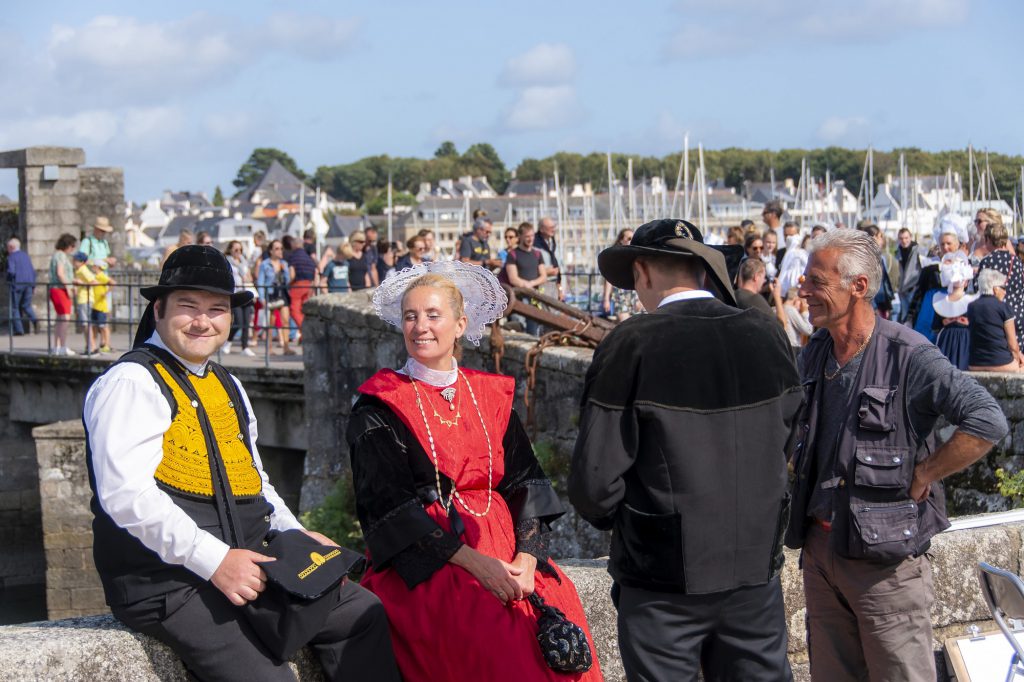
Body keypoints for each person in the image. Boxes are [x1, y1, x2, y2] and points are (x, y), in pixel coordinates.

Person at [84, 244, 399, 682]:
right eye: (188, 306)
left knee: (361, 615)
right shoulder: (131, 383)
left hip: (247, 557)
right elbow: (125, 496)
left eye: (216, 309)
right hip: (168, 579)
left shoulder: (228, 384)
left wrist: (296, 535)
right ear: (158, 310)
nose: (203, 321)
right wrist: (216, 562)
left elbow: (254, 480)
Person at [346, 261, 602, 682]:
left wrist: (527, 558)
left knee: (559, 612)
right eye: (410, 316)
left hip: (503, 546)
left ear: (460, 324)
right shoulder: (379, 404)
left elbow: (525, 481)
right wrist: (476, 565)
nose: (420, 327)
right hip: (431, 557)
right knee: (490, 639)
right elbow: (387, 508)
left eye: (433, 315)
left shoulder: (489, 394)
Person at [570, 218, 800, 681]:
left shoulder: (632, 343)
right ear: (700, 268)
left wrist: (632, 525)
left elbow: (594, 481)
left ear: (642, 271)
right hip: (755, 565)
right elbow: (790, 436)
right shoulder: (765, 332)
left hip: (663, 577)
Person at [787, 228, 1008, 681]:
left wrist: (926, 472)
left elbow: (987, 420)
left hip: (885, 567)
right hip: (821, 553)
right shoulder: (817, 353)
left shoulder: (909, 354)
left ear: (858, 286)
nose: (802, 290)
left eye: (815, 281)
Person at [909, 224, 961, 342]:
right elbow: (919, 293)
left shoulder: (963, 266)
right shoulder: (931, 268)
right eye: (942, 244)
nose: (945, 247)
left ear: (956, 244)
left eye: (949, 243)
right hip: (931, 310)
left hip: (955, 310)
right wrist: (910, 317)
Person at [978, 218, 1024, 340]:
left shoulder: (987, 261)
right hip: (1018, 314)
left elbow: (980, 289)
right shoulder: (1017, 261)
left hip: (996, 316)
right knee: (1017, 349)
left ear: (988, 239)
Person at [968, 268, 1023, 371]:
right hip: (1001, 363)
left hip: (975, 363)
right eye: (1003, 288)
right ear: (995, 289)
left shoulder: (971, 307)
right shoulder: (1003, 307)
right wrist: (1018, 359)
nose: (1005, 292)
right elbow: (1013, 345)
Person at [502, 222, 549, 336]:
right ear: (520, 236)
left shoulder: (537, 254)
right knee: (519, 329)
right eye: (527, 236)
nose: (530, 239)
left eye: (532, 236)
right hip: (519, 299)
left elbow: (543, 276)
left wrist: (531, 283)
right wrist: (526, 286)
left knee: (534, 331)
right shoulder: (513, 255)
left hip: (534, 299)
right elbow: (513, 279)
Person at [256, 240, 296, 355]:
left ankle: (286, 347)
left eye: (281, 248)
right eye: (277, 248)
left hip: (282, 293)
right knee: (271, 322)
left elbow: (287, 281)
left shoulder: (284, 263)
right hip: (271, 294)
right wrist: (262, 298)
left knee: (285, 321)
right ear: (271, 251)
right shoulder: (265, 264)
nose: (280, 251)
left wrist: (286, 271)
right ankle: (269, 348)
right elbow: (260, 282)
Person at [224, 241, 256, 356]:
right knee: (238, 321)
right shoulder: (228, 262)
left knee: (246, 323)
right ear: (230, 250)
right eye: (236, 250)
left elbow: (250, 277)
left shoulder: (244, 262)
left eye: (240, 250)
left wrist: (247, 277)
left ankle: (245, 346)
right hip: (235, 294)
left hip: (245, 293)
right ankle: (228, 341)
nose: (238, 252)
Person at [284, 235, 319, 341]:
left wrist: (288, 284)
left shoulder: (293, 257)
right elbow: (316, 272)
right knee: (304, 310)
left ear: (294, 245)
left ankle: (305, 330)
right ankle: (304, 335)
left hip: (298, 285)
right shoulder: (308, 257)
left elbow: (292, 275)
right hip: (309, 285)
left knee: (294, 310)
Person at [48, 233, 78, 355]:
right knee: (65, 318)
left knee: (60, 319)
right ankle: (63, 346)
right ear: (68, 245)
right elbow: (60, 273)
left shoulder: (56, 255)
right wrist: (69, 287)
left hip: (56, 289)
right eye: (72, 246)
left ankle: (57, 346)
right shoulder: (61, 256)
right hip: (60, 289)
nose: (73, 249)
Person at [601, 229, 640, 321]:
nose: (632, 241)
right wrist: (606, 299)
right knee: (625, 323)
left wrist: (641, 298)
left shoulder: (637, 256)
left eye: (634, 238)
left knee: (637, 324)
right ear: (621, 240)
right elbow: (609, 280)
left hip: (635, 294)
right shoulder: (614, 258)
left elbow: (641, 278)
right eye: (629, 238)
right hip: (620, 295)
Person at [5, 237, 38, 335]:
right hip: (28, 284)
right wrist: (33, 285)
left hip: (17, 284)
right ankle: (35, 320)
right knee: (26, 306)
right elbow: (32, 271)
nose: (7, 249)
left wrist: (8, 280)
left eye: (8, 247)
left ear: (11, 247)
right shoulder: (25, 256)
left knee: (14, 308)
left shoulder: (11, 257)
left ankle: (19, 330)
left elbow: (11, 271)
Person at [72, 251, 97, 353]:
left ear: (82, 262)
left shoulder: (83, 270)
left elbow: (94, 282)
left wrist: (80, 283)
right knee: (85, 323)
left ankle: (92, 346)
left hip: (85, 299)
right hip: (82, 299)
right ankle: (89, 345)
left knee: (86, 323)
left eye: (76, 260)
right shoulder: (79, 270)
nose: (73, 262)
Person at [895, 228, 922, 324]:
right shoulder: (897, 252)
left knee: (914, 316)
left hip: (913, 289)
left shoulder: (918, 250)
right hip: (902, 291)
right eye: (901, 238)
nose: (904, 241)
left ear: (910, 237)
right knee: (904, 317)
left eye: (906, 238)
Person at [89, 261, 115, 353]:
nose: (92, 267)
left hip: (101, 306)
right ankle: (95, 345)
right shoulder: (95, 276)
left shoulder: (101, 275)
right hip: (95, 305)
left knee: (103, 327)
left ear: (98, 267)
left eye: (94, 265)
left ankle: (107, 345)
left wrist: (106, 293)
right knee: (95, 327)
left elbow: (112, 282)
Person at [536, 217, 563, 300]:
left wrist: (560, 289)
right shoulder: (534, 244)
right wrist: (545, 272)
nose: (553, 229)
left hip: (554, 284)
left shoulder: (553, 243)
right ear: (542, 229)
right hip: (541, 284)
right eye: (550, 227)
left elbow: (557, 265)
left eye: (554, 227)